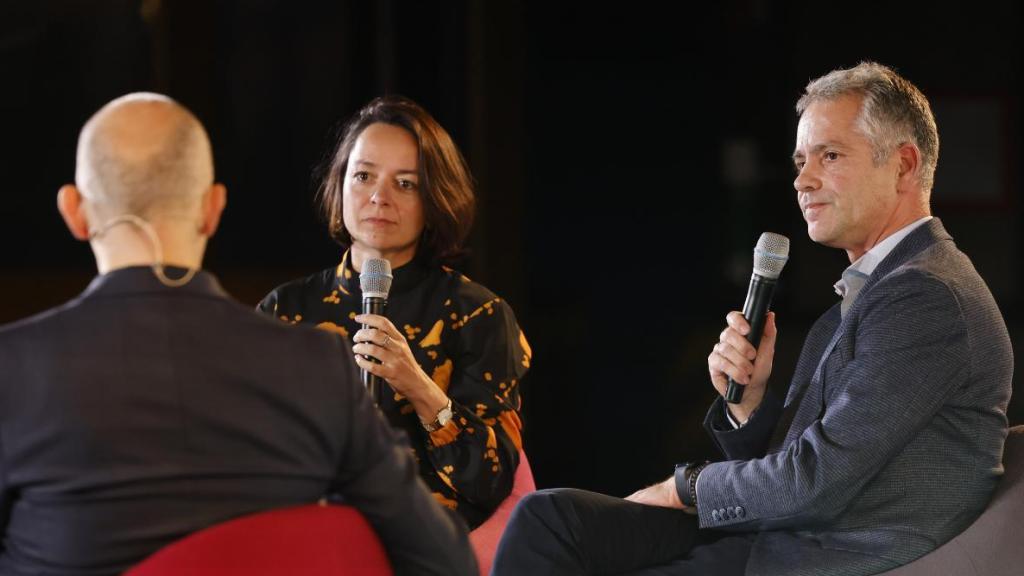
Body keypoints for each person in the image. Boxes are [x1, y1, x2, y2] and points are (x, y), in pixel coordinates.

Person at [492, 62, 1013, 576]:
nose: (803, 180)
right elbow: (797, 465)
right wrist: (751, 403)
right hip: (779, 534)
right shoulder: (873, 292)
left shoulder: (927, 296)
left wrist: (686, 487)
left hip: (826, 554)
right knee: (549, 517)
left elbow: (815, 480)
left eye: (830, 156)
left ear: (902, 165)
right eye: (800, 161)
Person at [0, 93, 477, 576]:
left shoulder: (12, 366)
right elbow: (444, 560)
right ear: (213, 208)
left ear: (74, 212)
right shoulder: (317, 364)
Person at [258, 95, 530, 529]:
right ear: (340, 185)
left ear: (434, 198)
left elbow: (492, 481)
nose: (379, 197)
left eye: (405, 184)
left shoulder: (479, 314)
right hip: (310, 533)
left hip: (428, 540)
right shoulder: (286, 309)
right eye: (363, 176)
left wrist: (418, 387)